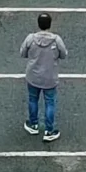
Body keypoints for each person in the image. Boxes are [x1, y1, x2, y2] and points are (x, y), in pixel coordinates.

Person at [20, 12, 65, 141]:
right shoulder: (56, 40)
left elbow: (22, 53)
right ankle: (49, 130)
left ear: (38, 24)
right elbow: (64, 54)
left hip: (33, 76)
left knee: (33, 99)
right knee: (50, 103)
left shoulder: (30, 38)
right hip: (50, 77)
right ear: (50, 25)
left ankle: (33, 124)